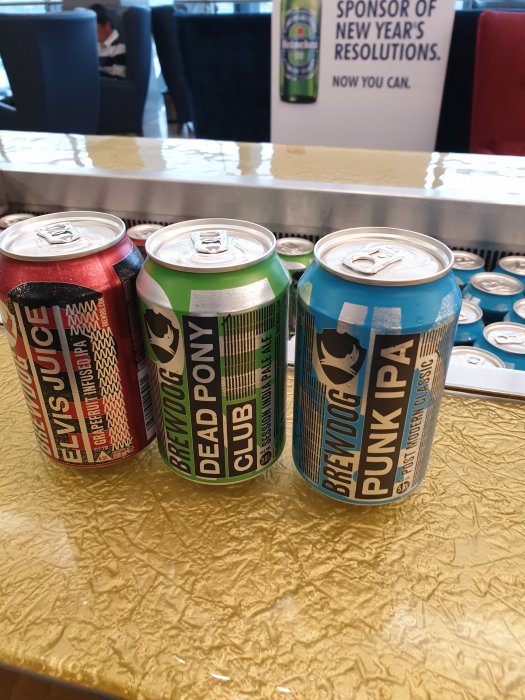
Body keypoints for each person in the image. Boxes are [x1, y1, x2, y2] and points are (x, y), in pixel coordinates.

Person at [90, 3, 126, 79]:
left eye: (95, 29)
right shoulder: (96, 44)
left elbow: (118, 79)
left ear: (107, 25)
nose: (92, 34)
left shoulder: (119, 47)